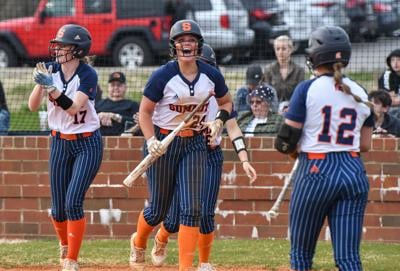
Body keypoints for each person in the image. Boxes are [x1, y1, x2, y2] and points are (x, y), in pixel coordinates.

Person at [129, 20, 232, 271]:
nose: (187, 44)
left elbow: (227, 102)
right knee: (158, 211)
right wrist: (151, 140)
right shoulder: (163, 76)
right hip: (164, 144)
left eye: (192, 41)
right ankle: (139, 241)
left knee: (192, 208)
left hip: (195, 143)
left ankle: (186, 267)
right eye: (181, 41)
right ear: (174, 46)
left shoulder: (211, 75)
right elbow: (144, 112)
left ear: (198, 46)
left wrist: (219, 120)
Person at [148, 43, 257, 271]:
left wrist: (244, 159)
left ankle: (204, 263)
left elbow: (234, 128)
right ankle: (162, 236)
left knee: (205, 213)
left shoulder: (218, 95)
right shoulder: (181, 93)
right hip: (184, 152)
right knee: (175, 216)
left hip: (210, 156)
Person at [274, 26, 374, 271]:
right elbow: (365, 145)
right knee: (349, 259)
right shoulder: (360, 92)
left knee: (301, 255)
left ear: (315, 56)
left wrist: (292, 150)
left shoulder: (308, 88)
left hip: (316, 169)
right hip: (352, 170)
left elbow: (286, 139)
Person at [28, 24, 103, 271]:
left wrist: (52, 87)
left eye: (63, 46)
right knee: (58, 208)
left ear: (78, 50)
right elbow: (32, 106)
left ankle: (71, 259)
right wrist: (41, 83)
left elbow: (73, 107)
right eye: (57, 45)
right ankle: (63, 243)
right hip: (60, 141)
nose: (57, 49)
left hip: (87, 143)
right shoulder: (51, 70)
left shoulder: (88, 74)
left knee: (73, 202)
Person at [264, 35, 305, 107]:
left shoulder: (299, 70)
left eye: (283, 49)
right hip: (274, 109)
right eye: (277, 49)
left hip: (293, 108)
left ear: (290, 50)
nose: (280, 52)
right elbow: (266, 94)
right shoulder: (269, 70)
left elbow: (300, 95)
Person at [95, 71, 140, 136]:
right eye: (113, 85)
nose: (116, 88)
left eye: (119, 85)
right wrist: (99, 116)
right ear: (108, 87)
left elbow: (138, 122)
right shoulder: (99, 104)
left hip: (124, 140)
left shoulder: (132, 105)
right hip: (101, 140)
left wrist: (115, 116)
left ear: (125, 87)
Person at [378, 49, 400, 118]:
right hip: (389, 109)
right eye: (393, 60)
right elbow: (392, 101)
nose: (395, 63)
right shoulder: (388, 75)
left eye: (399, 60)